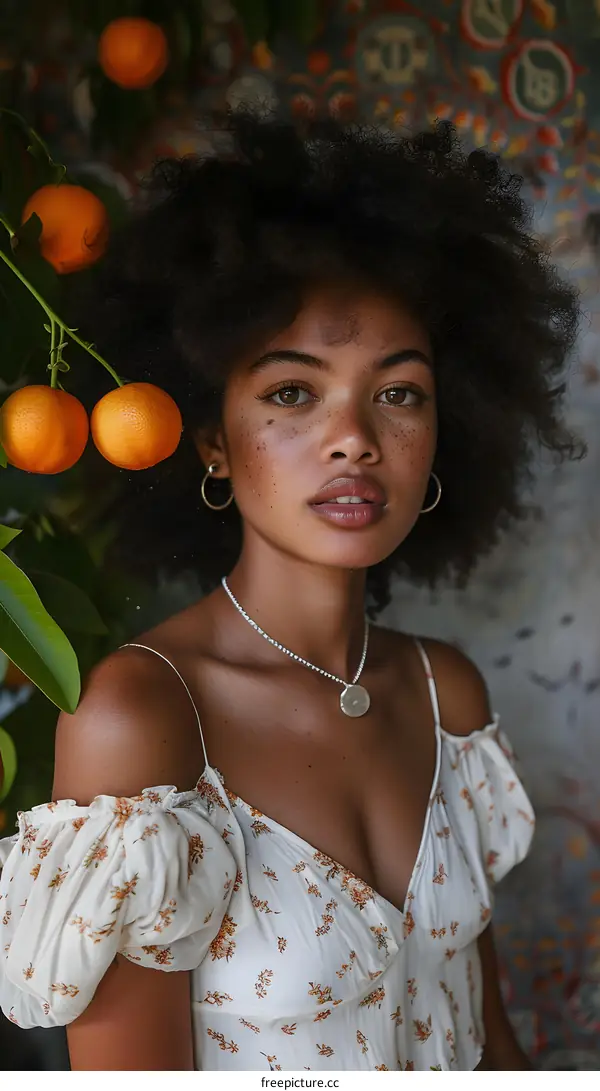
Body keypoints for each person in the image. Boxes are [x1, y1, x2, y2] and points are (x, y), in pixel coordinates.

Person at [0, 114, 581, 1071]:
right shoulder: (143, 717)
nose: (354, 437)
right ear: (212, 441)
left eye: (398, 392)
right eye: (292, 393)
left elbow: (494, 1050)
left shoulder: (449, 698)